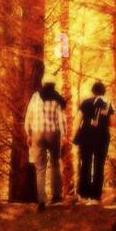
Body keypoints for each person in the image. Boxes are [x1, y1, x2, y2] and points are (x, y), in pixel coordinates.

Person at [24, 79, 68, 210]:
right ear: (53, 86)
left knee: (40, 168)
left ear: (43, 85)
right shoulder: (57, 98)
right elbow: (61, 119)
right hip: (53, 133)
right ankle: (56, 196)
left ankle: (41, 200)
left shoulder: (35, 97)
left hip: (37, 134)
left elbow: (28, 116)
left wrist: (28, 134)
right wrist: (64, 135)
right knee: (55, 163)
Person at [75, 81, 113, 204]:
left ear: (93, 91)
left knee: (85, 164)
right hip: (102, 137)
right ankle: (96, 196)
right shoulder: (108, 104)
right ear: (104, 91)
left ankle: (83, 195)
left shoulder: (86, 102)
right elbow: (113, 122)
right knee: (99, 165)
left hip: (86, 136)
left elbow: (78, 119)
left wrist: (75, 134)